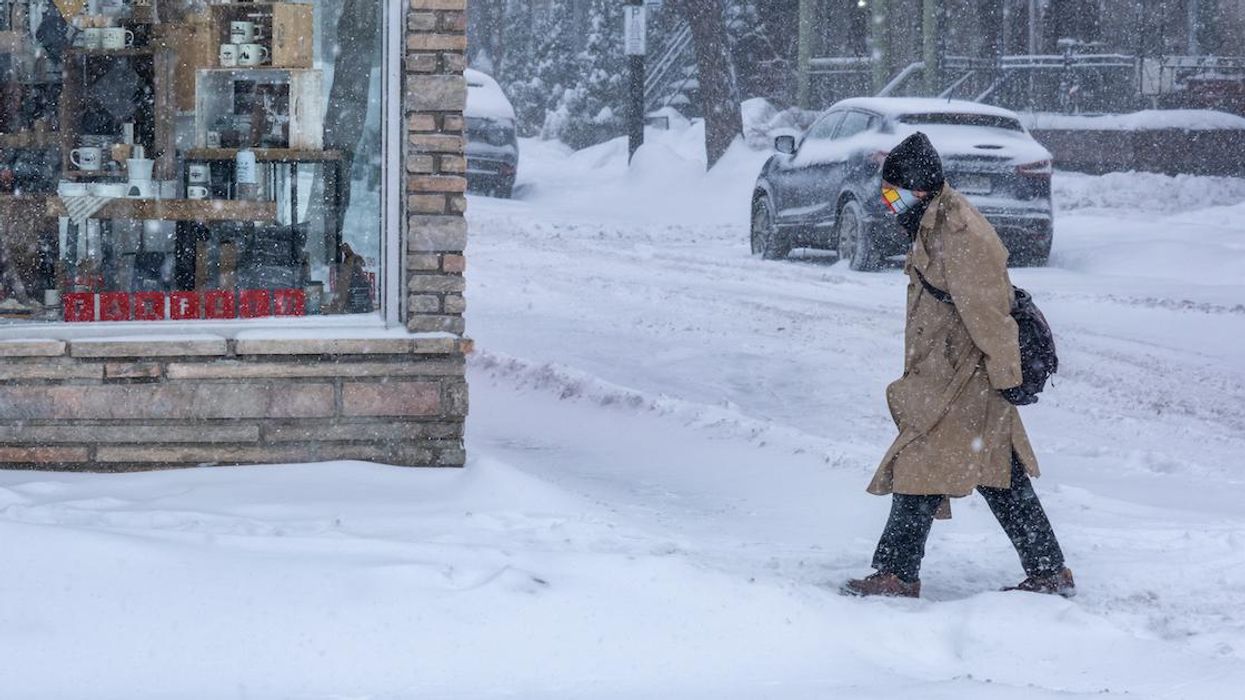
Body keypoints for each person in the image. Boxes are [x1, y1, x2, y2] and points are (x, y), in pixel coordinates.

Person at [841, 132, 1074, 599]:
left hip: (965, 379)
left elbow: (990, 315)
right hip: (948, 375)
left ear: (920, 188)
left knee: (921, 462)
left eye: (894, 196)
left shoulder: (962, 233)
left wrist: (1009, 379)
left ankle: (897, 573)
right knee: (997, 473)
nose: (890, 206)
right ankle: (1049, 570)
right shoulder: (933, 222)